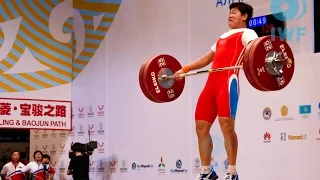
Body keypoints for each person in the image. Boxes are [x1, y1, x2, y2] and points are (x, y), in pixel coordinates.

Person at [174, 2, 258, 180]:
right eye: (229, 12)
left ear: (244, 16)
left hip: (228, 83)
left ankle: (232, 172)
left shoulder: (248, 33)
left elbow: (254, 51)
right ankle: (207, 171)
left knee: (227, 127)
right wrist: (185, 69)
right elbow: (207, 58)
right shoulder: (222, 37)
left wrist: (252, 62)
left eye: (234, 12)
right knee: (201, 128)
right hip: (210, 85)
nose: (230, 15)